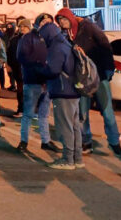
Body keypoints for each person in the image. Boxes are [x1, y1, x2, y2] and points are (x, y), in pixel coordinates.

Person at [56, 8, 121, 158]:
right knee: (82, 113)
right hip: (81, 79)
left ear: (70, 18)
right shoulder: (65, 36)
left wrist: (108, 69)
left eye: (64, 19)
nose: (62, 22)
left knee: (107, 111)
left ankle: (114, 142)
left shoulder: (88, 27)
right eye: (59, 20)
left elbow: (105, 45)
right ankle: (86, 142)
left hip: (99, 75)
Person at [36, 14, 82, 169]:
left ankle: (67, 160)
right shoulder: (65, 43)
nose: (42, 40)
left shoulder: (56, 47)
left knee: (65, 127)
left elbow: (53, 70)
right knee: (74, 126)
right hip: (73, 91)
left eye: (43, 37)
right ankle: (77, 158)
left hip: (62, 91)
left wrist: (40, 68)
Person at [15, 17, 60, 153]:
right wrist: (42, 71)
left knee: (44, 114)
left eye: (48, 21)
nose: (46, 24)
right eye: (43, 21)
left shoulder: (53, 40)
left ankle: (45, 141)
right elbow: (22, 57)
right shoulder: (28, 38)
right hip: (33, 82)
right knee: (28, 114)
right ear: (37, 23)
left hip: (48, 83)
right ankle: (24, 141)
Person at [5, 18, 24, 117]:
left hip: (31, 70)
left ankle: (31, 110)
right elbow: (9, 53)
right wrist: (8, 65)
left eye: (24, 26)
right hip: (18, 70)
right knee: (20, 90)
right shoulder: (14, 40)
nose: (22, 28)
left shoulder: (34, 38)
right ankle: (21, 109)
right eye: (20, 26)